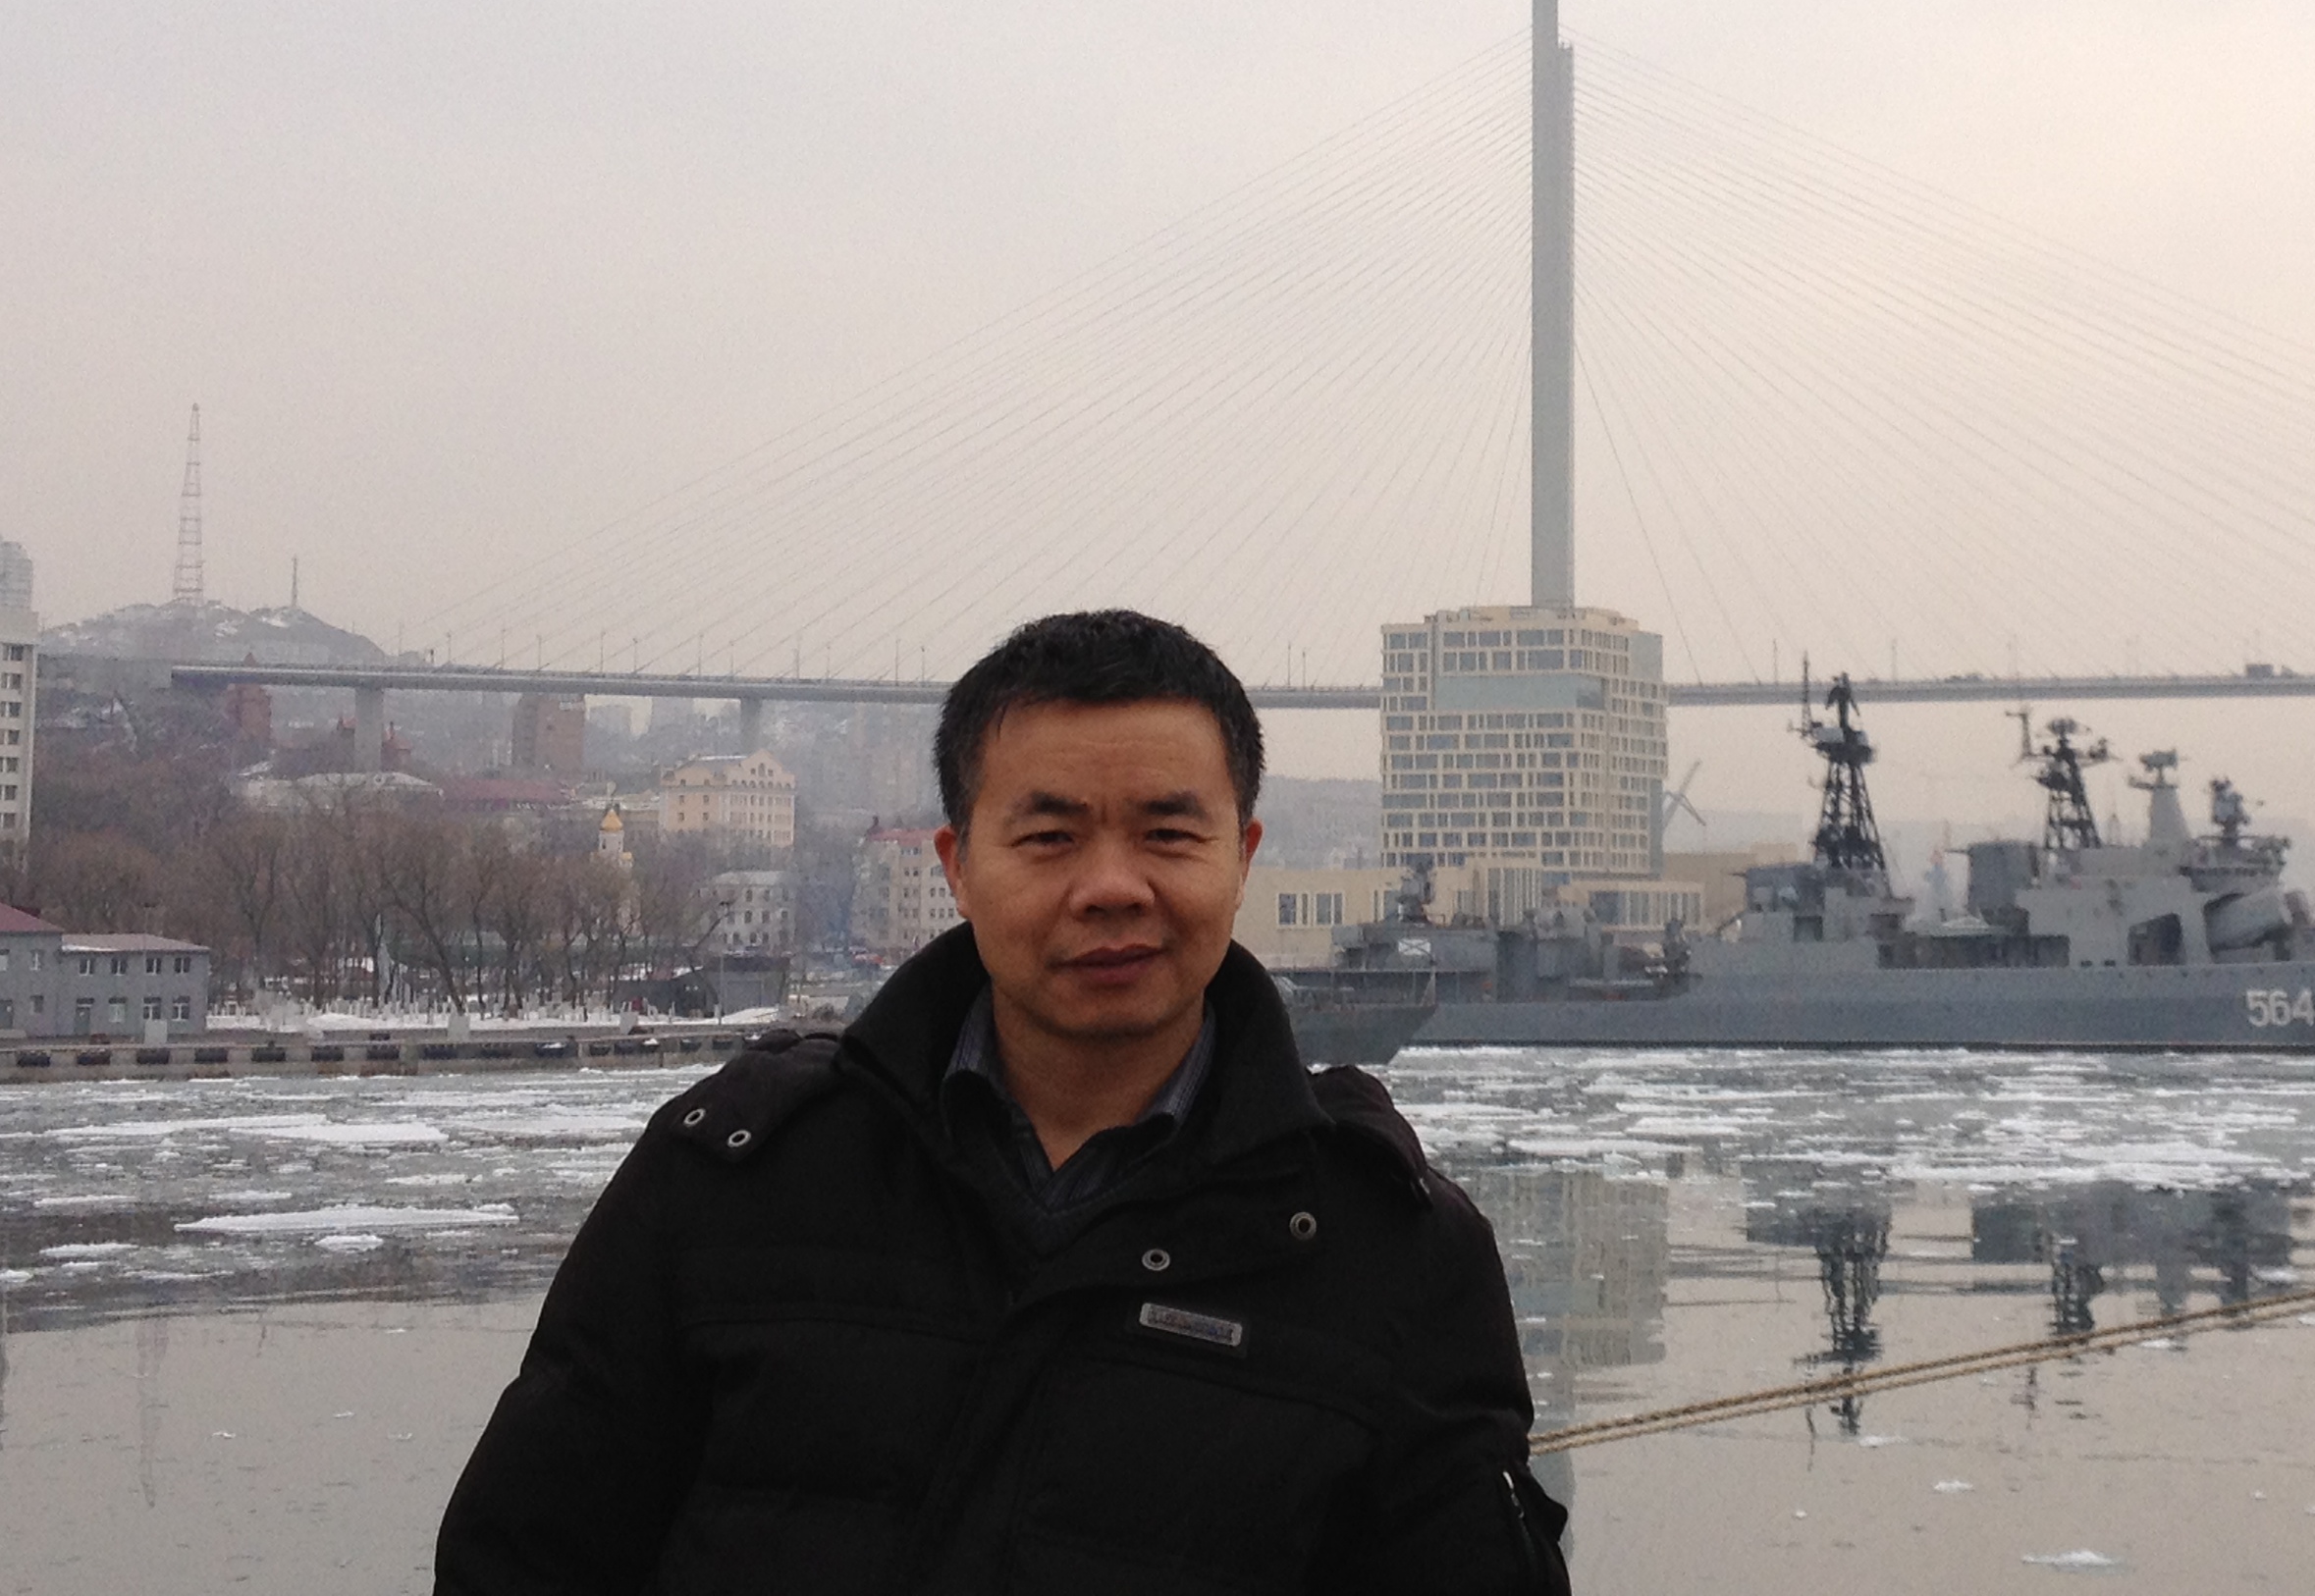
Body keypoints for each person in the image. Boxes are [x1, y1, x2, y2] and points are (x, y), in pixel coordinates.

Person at [438, 610, 1569, 1594]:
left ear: (1243, 855)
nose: (1112, 886)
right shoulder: (730, 1179)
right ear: (960, 864)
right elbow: (525, 1560)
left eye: (1169, 834)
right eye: (1050, 837)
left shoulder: (1393, 1256)